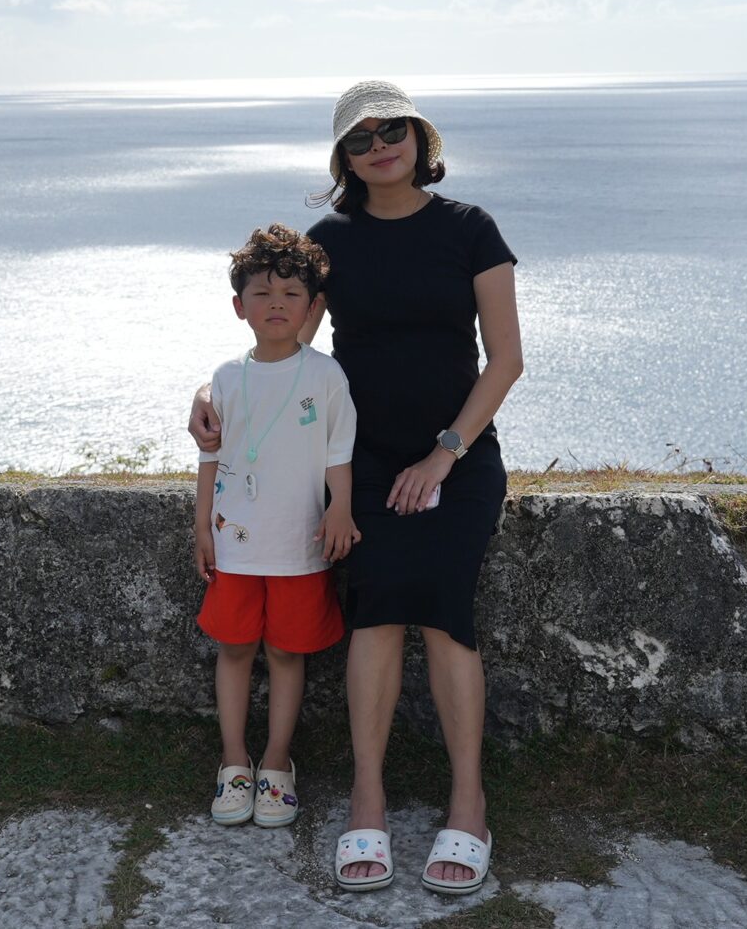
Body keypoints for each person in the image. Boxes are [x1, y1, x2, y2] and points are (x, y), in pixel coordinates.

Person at [191, 80, 523, 898]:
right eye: (361, 136)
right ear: (345, 156)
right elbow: (280, 339)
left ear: (418, 136)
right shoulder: (329, 240)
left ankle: (468, 802)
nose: (381, 143)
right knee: (372, 614)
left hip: (457, 459)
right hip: (360, 464)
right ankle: (366, 798)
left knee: (446, 615)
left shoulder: (471, 229)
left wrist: (445, 453)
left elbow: (506, 357)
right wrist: (211, 396)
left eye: (393, 128)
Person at [194, 223, 358, 832]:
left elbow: (339, 450)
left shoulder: (325, 375)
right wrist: (200, 528)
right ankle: (233, 760)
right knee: (235, 649)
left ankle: (277, 762)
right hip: (234, 543)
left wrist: (339, 509)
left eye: (292, 294)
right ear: (239, 306)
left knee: (288, 653)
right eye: (262, 293)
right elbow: (210, 455)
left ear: (313, 305)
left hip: (298, 542)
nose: (277, 305)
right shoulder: (226, 378)